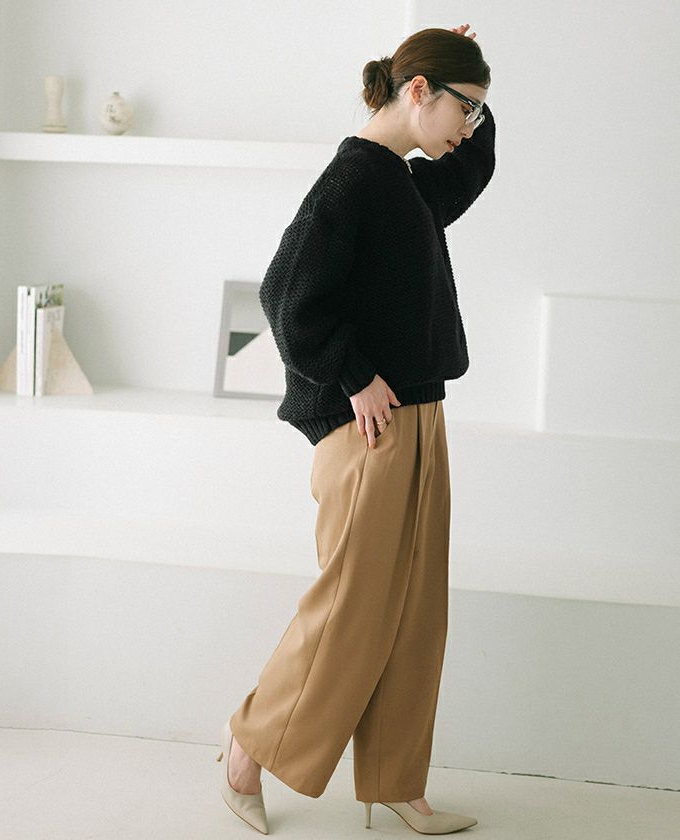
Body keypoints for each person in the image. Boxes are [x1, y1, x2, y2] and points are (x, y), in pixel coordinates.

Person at [217, 23, 496, 835]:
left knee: (414, 612)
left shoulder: (406, 183)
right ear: (418, 91)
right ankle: (247, 749)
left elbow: (472, 169)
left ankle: (395, 781)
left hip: (420, 417)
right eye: (465, 109)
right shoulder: (353, 181)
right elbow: (284, 294)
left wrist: (476, 85)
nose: (469, 127)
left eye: (479, 113)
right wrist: (354, 376)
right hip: (369, 430)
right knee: (351, 610)